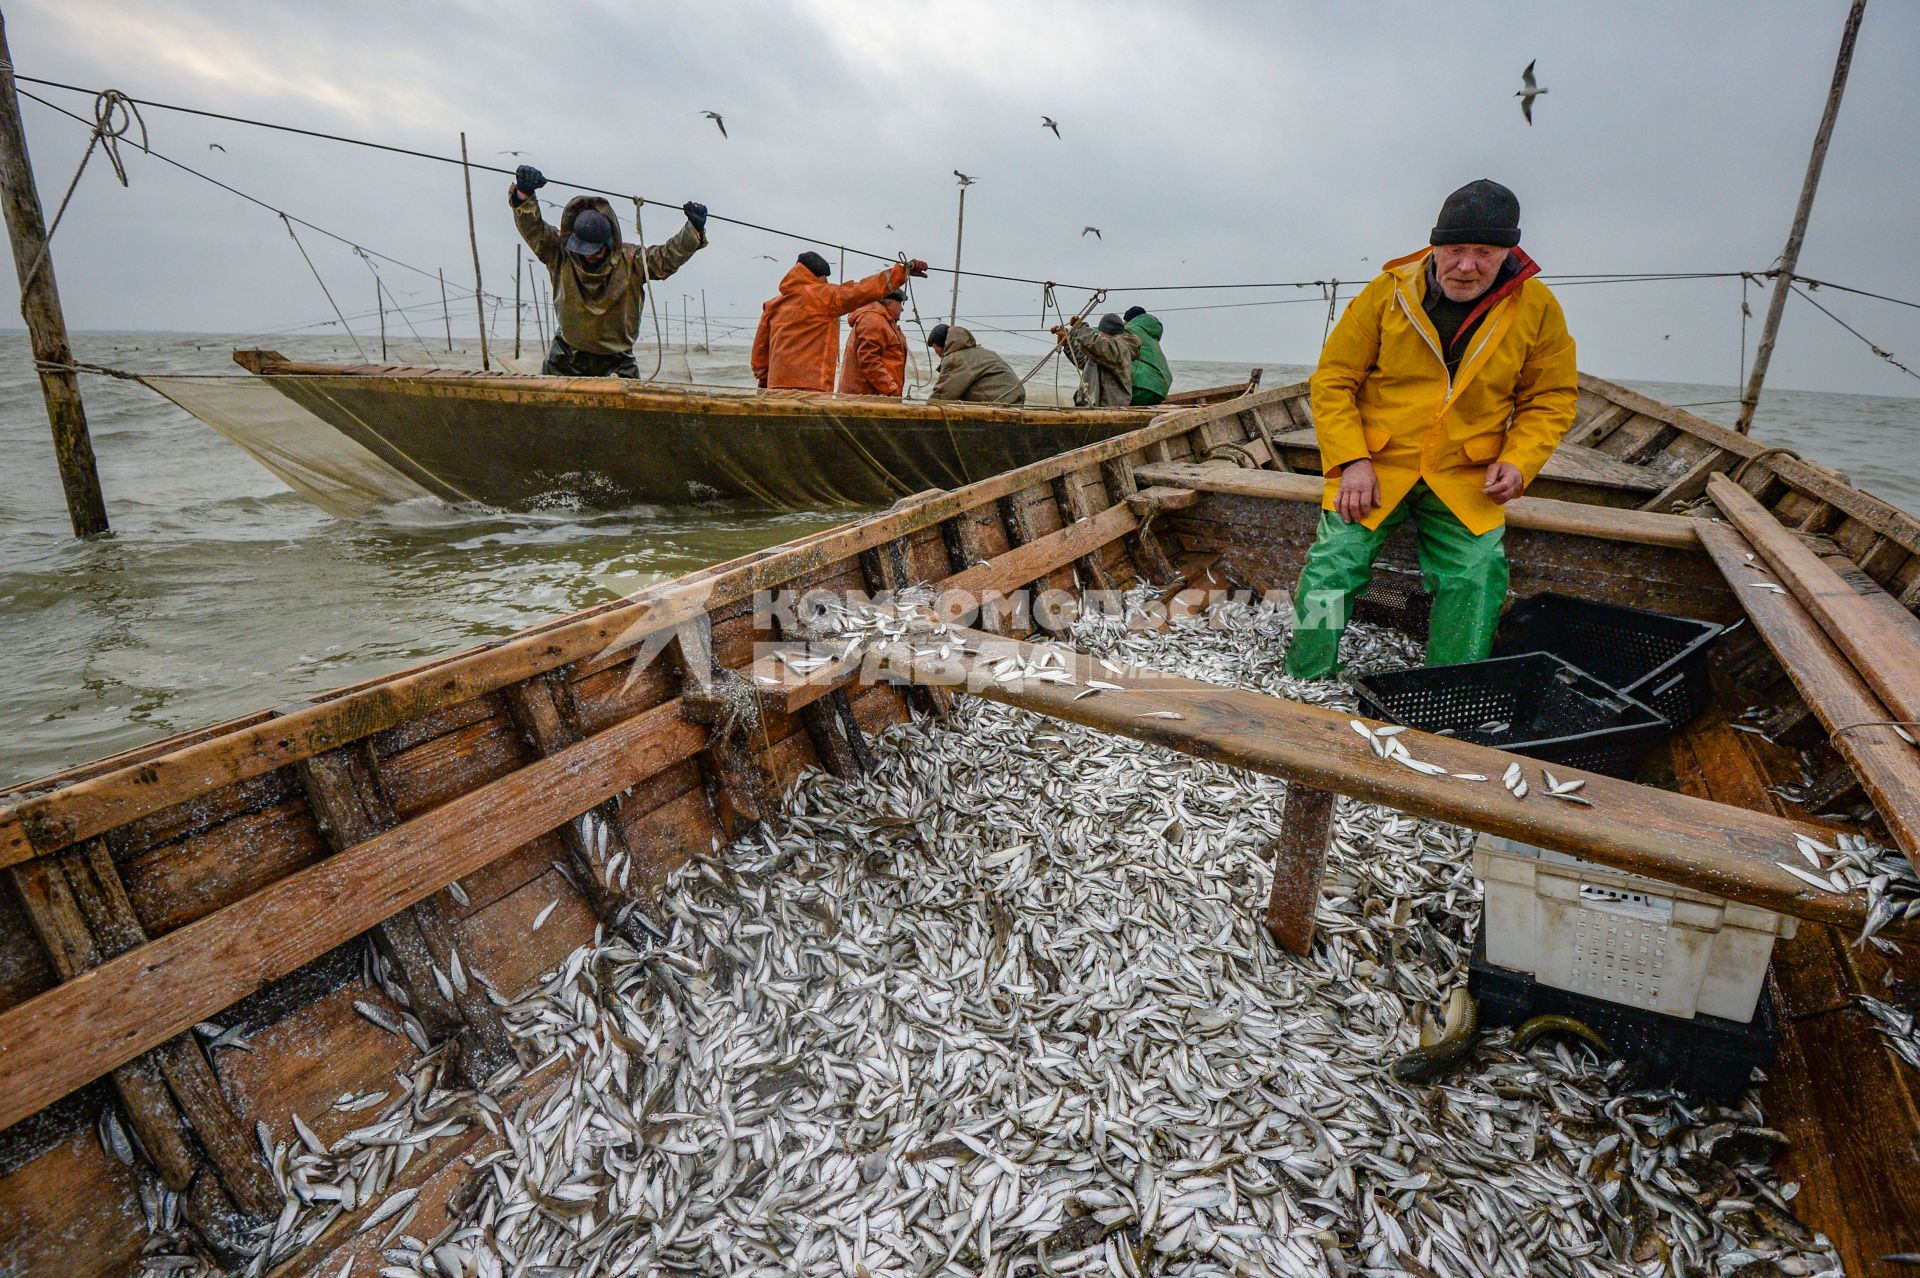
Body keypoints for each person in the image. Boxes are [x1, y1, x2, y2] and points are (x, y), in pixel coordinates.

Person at [1284, 178, 1577, 680]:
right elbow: (1333, 381)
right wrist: (1351, 460)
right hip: (1377, 465)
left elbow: (1549, 398)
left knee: (1477, 573)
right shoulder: (1386, 293)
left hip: (1464, 475)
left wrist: (1519, 460)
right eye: (1455, 249)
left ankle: (1450, 687)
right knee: (1333, 563)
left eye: (1483, 252)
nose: (1466, 265)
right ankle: (1304, 675)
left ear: (1509, 252)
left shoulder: (1538, 307)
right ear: (1435, 246)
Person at [508, 165, 707, 377]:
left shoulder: (632, 261)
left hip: (617, 360)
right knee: (546, 408)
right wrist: (524, 194)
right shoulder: (559, 253)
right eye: (582, 249)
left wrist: (692, 229)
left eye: (594, 251)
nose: (588, 256)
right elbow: (534, 229)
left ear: (609, 244)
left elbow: (666, 258)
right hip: (567, 356)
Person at [752, 252, 929, 392]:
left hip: (775, 390)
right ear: (818, 277)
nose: (827, 283)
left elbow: (759, 360)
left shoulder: (772, 306)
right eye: (824, 280)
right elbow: (864, 290)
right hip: (811, 391)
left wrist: (765, 384)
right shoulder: (824, 296)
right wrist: (902, 271)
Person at [1053, 313, 1139, 408]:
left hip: (1111, 408)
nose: (1099, 335)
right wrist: (1067, 344)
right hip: (1096, 407)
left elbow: (1093, 344)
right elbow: (1084, 361)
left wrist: (1079, 327)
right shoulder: (1104, 353)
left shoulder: (1119, 348)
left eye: (1101, 333)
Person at [927, 323, 1024, 405]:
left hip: (1001, 404)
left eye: (934, 347)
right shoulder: (982, 352)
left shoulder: (956, 359)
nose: (935, 351)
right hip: (1017, 401)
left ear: (943, 344)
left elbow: (942, 396)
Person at [836, 290, 909, 397]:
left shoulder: (885, 322)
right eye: (900, 304)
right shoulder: (874, 320)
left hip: (874, 397)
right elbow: (869, 360)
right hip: (863, 399)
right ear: (889, 303)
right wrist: (891, 390)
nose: (902, 309)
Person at [1123, 305, 1170, 406]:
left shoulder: (1132, 329)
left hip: (1140, 388)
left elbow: (1106, 333)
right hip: (1161, 391)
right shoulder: (1151, 337)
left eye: (1125, 321)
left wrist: (1082, 327)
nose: (1123, 323)